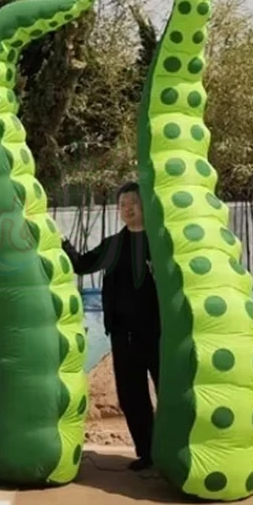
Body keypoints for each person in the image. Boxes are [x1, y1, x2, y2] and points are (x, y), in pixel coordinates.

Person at [62, 182, 160, 472]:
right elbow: (81, 265)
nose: (127, 208)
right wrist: (61, 243)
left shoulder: (160, 242)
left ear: (145, 206)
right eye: (122, 204)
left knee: (168, 389)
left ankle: (171, 450)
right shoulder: (113, 245)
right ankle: (147, 452)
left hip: (157, 332)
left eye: (133, 202)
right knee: (131, 394)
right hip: (122, 333)